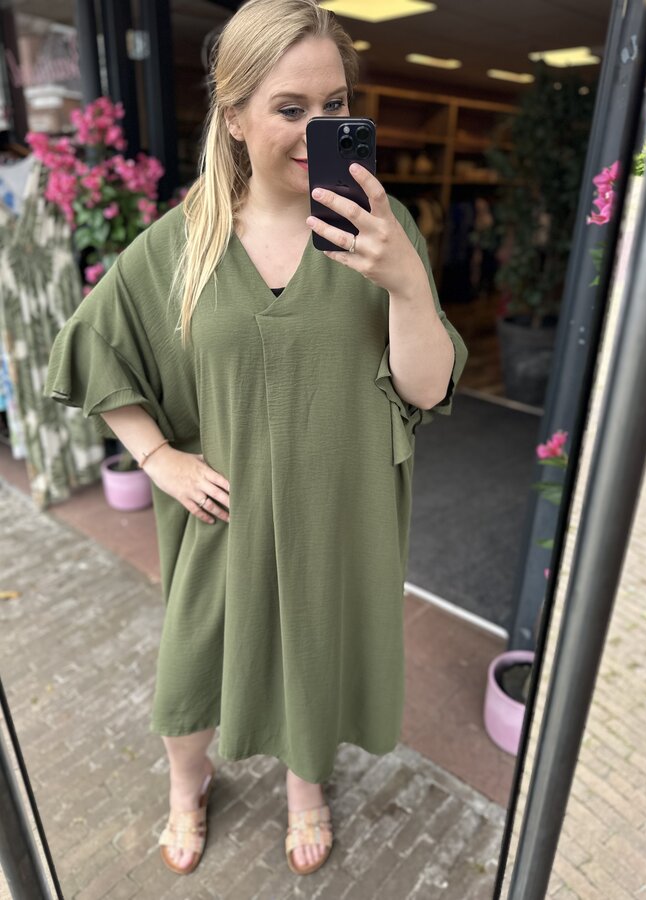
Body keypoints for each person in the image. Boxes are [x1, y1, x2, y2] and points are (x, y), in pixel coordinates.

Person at [44, 0, 467, 879]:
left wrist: (405, 284)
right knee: (194, 666)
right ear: (234, 116)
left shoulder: (380, 230)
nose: (319, 129)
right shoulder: (185, 242)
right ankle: (187, 783)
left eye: (335, 104)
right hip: (224, 514)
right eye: (290, 108)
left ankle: (306, 785)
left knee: (314, 653)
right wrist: (158, 458)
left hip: (339, 507)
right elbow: (93, 344)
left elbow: (427, 388)